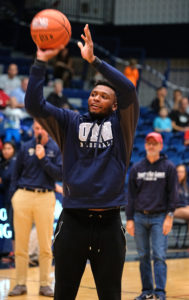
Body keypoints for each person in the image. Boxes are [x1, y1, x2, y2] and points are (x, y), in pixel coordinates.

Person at [25, 24, 139, 300]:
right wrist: (40, 61)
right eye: (93, 94)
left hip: (110, 222)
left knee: (110, 295)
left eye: (103, 95)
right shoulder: (69, 121)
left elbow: (128, 89)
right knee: (63, 294)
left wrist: (94, 61)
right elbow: (34, 105)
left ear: (115, 105)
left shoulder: (122, 124)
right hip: (73, 221)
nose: (95, 97)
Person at [8, 120, 63, 297]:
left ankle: (45, 284)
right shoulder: (25, 147)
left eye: (41, 128)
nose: (37, 131)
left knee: (46, 245)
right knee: (21, 246)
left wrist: (44, 158)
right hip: (23, 195)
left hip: (46, 196)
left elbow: (59, 174)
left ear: (48, 130)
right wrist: (14, 197)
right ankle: (21, 283)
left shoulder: (55, 148)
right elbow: (15, 174)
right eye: (35, 128)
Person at [126, 132, 178, 300]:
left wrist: (169, 217)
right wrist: (130, 219)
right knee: (143, 256)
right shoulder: (137, 168)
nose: (151, 146)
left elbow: (173, 195)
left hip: (159, 218)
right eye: (148, 143)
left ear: (161, 146)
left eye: (154, 143)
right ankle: (147, 290)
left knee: (159, 256)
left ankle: (160, 292)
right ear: (145, 145)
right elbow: (131, 196)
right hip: (140, 217)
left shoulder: (169, 167)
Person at [0, 141, 16, 261]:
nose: (6, 151)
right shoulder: (3, 164)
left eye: (9, 148)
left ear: (14, 150)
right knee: (12, 226)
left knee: (16, 227)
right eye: (4, 148)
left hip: (15, 198)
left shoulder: (15, 163)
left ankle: (17, 254)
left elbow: (11, 182)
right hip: (7, 199)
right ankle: (15, 253)